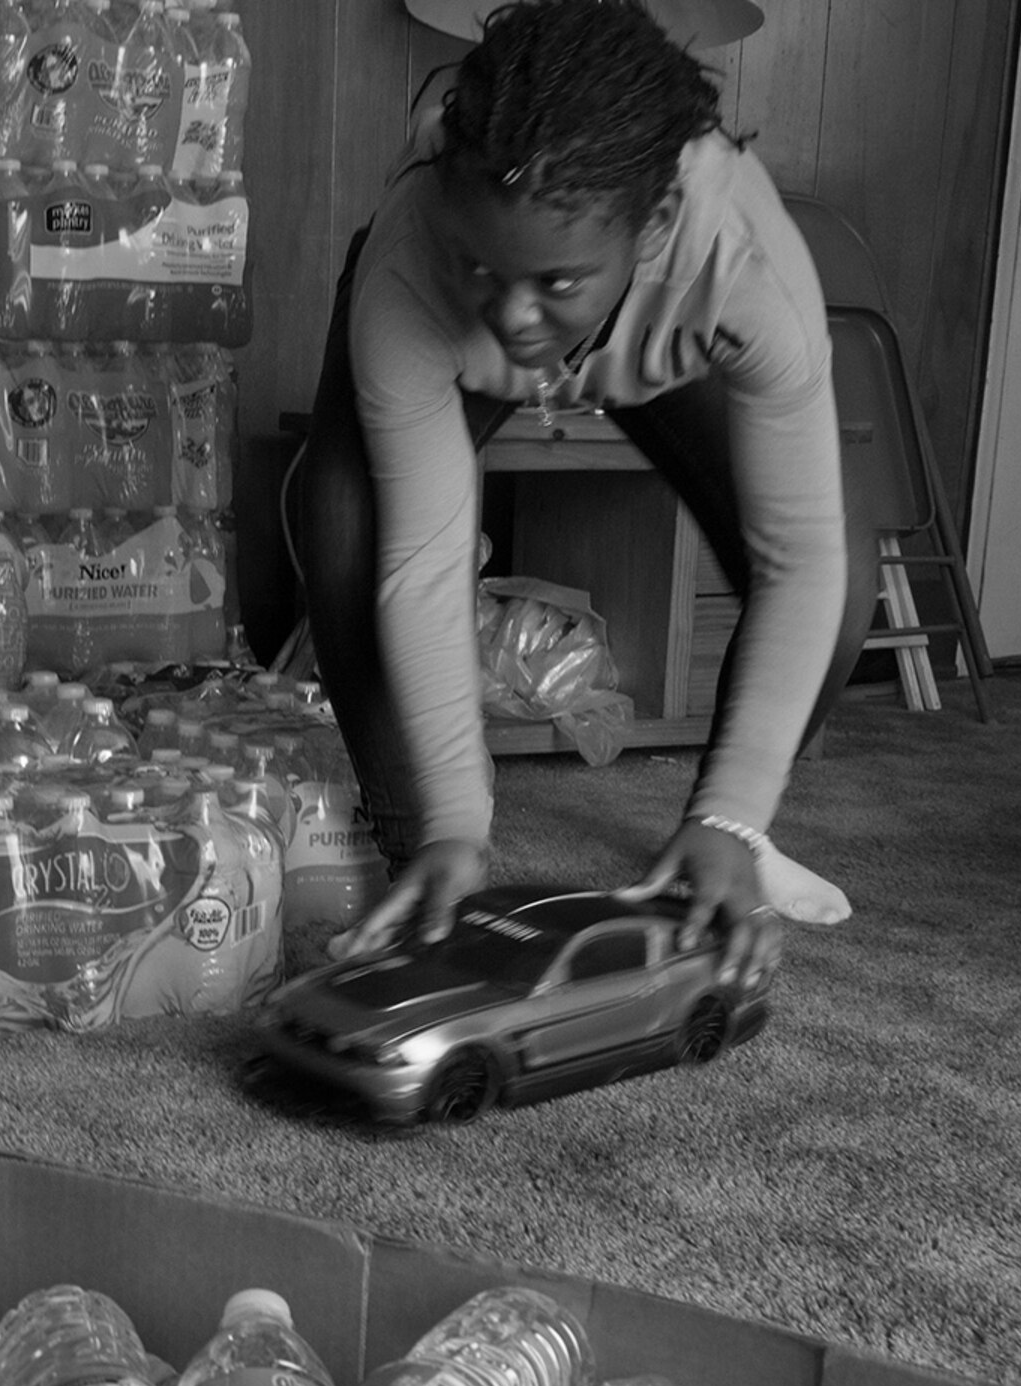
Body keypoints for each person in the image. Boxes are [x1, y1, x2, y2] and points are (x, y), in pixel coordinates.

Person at [285, 0, 869, 974]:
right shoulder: (415, 262)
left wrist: (734, 805)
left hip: (657, 342)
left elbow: (799, 561)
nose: (514, 314)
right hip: (447, 323)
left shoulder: (742, 262)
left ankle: (729, 833)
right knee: (343, 519)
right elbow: (426, 564)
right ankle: (423, 858)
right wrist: (455, 824)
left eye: (553, 281)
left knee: (844, 591)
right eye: (486, 268)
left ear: (658, 226)